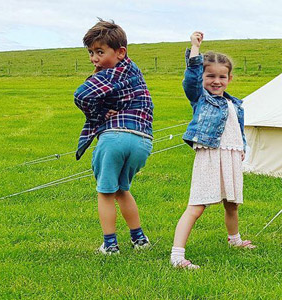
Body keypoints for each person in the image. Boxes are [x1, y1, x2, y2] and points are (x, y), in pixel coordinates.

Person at [170, 31, 254, 269]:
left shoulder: (234, 103)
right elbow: (191, 79)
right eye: (210, 76)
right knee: (197, 206)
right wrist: (195, 49)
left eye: (222, 76)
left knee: (232, 204)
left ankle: (234, 239)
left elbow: (238, 129)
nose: (216, 81)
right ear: (203, 77)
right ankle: (177, 255)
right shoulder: (201, 98)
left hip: (231, 155)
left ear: (229, 78)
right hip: (210, 155)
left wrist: (242, 148)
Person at [74, 19, 154, 255]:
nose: (94, 58)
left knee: (106, 192)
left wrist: (98, 114)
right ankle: (139, 239)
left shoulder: (107, 76)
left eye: (100, 52)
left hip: (114, 139)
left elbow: (81, 95)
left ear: (120, 52)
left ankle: (110, 245)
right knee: (122, 189)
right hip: (142, 141)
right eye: (91, 52)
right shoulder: (133, 69)